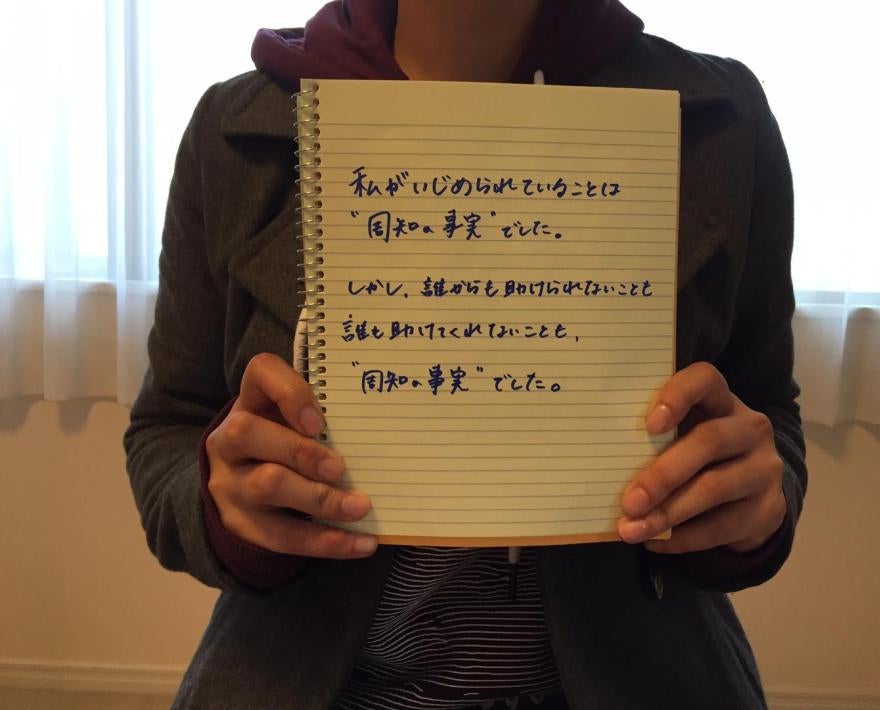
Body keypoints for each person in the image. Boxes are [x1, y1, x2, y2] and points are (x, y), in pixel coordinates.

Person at [123, 1, 807, 708]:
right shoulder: (235, 133)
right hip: (305, 679)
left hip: (642, 676)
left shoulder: (719, 123)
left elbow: (768, 417)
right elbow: (167, 429)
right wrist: (226, 506)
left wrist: (747, 506)